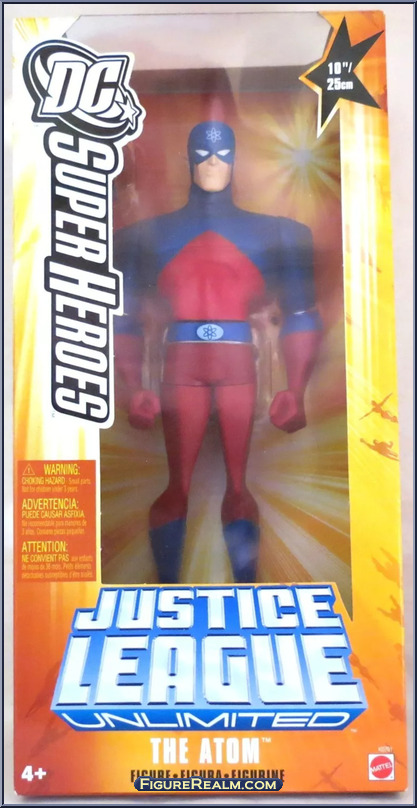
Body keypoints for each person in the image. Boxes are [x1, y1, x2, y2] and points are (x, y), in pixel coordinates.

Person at [114, 120, 322, 583]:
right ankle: (166, 591)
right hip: (182, 365)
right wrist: (133, 387)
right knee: (178, 487)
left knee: (237, 486)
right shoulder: (146, 237)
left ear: (235, 159)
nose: (212, 163)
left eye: (222, 154)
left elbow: (301, 312)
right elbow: (122, 317)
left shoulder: (277, 233)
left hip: (237, 364)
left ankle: (245, 588)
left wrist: (296, 389)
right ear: (188, 159)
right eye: (203, 155)